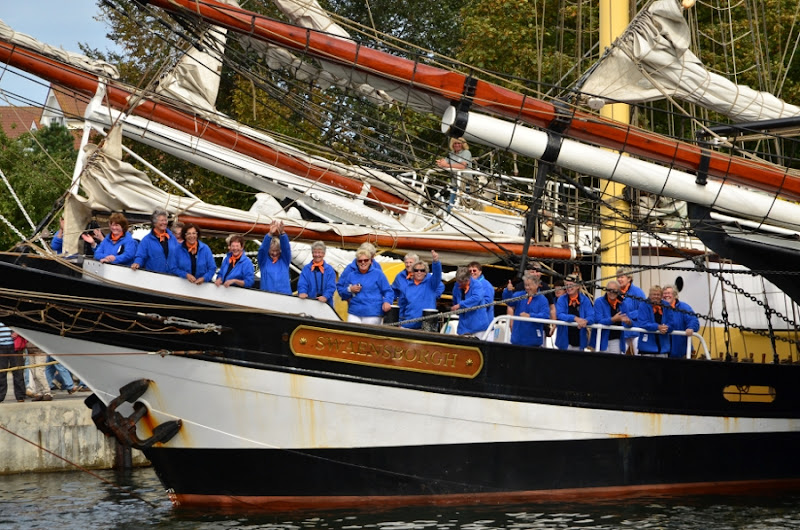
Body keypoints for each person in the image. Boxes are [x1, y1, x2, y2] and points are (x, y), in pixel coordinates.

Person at [336, 243, 394, 324]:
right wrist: (350, 290)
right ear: (357, 261)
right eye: (360, 260)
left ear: (371, 259)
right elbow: (341, 289)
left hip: (373, 311)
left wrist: (387, 301)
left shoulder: (378, 272)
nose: (363, 262)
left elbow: (388, 290)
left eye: (366, 259)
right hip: (354, 310)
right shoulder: (350, 273)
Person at [398, 250, 443, 329]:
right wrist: (399, 322)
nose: (419, 272)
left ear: (426, 272)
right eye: (416, 270)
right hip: (408, 325)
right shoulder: (407, 287)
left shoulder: (431, 284)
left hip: (427, 325)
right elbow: (402, 306)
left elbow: (437, 275)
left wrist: (436, 262)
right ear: (413, 272)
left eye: (422, 270)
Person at [503, 273, 551, 347]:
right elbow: (509, 302)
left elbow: (545, 316)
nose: (527, 287)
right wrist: (508, 291)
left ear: (536, 285)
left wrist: (530, 316)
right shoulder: (519, 295)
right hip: (517, 340)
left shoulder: (542, 299)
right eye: (525, 285)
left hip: (533, 342)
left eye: (529, 285)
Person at [131, 209, 180, 273]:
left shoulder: (172, 237)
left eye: (165, 220)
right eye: (162, 220)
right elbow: (141, 256)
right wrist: (137, 263)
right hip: (154, 277)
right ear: (155, 223)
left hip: (172, 276)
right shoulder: (146, 240)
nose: (164, 223)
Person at [591, 280, 633, 353]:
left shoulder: (623, 304)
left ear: (619, 291)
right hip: (601, 340)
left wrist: (628, 322)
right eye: (609, 290)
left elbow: (629, 322)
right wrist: (613, 319)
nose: (611, 292)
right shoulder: (599, 302)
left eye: (614, 290)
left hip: (616, 339)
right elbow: (598, 320)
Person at [555, 275, 595, 351]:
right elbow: (559, 315)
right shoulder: (561, 299)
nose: (568, 287)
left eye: (571, 285)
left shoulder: (585, 300)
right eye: (567, 285)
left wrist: (585, 321)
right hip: (564, 342)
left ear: (578, 286)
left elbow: (592, 316)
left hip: (580, 342)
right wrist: (575, 318)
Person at [662, 285, 700, 358]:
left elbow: (693, 320)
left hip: (681, 352)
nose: (666, 295)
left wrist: (691, 328)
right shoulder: (659, 308)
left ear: (675, 295)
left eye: (669, 293)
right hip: (664, 352)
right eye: (664, 293)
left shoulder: (684, 307)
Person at [451, 266, 490, 336]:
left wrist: (460, 305)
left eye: (462, 282)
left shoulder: (477, 285)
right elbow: (454, 300)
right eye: (459, 282)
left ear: (468, 279)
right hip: (463, 326)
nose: (460, 284)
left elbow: (476, 298)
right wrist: (455, 307)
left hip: (478, 326)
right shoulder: (456, 286)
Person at [616, 267, 647, 355]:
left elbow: (643, 310)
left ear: (629, 278)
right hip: (621, 330)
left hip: (636, 329)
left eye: (622, 277)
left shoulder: (638, 292)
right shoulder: (615, 292)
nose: (619, 279)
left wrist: (628, 315)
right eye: (618, 277)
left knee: (639, 355)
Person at [257, 220, 292, 295]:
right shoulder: (264, 261)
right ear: (268, 250)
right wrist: (270, 234)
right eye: (272, 251)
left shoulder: (285, 261)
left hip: (285, 295)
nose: (275, 253)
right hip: (267, 295)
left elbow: (286, 248)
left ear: (280, 250)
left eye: (277, 250)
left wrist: (282, 234)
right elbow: (262, 250)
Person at [297, 241, 337, 307]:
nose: (317, 255)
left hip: (326, 304)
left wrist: (326, 296)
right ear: (312, 254)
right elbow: (302, 283)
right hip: (309, 303)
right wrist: (302, 292)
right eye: (315, 252)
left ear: (324, 254)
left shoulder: (329, 270)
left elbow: (331, 286)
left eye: (319, 252)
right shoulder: (306, 269)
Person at [14, 333, 51, 401]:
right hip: (30, 351)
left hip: (40, 351)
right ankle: (39, 392)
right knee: (33, 373)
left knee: (39, 373)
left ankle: (47, 392)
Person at [636, 285, 671, 356]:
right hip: (647, 347)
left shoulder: (666, 305)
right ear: (649, 295)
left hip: (663, 347)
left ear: (661, 296)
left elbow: (672, 322)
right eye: (654, 294)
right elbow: (642, 323)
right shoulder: (643, 305)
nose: (656, 296)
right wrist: (658, 327)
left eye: (658, 295)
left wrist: (667, 328)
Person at [0, 322, 25, 403]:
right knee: (1, 372)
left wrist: (17, 332)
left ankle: (20, 395)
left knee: (17, 371)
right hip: (1, 346)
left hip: (14, 346)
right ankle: (0, 396)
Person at [468, 261, 495, 328]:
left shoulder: (486, 285)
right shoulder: (469, 285)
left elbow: (487, 303)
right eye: (470, 271)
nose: (472, 272)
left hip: (483, 324)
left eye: (474, 270)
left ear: (480, 272)